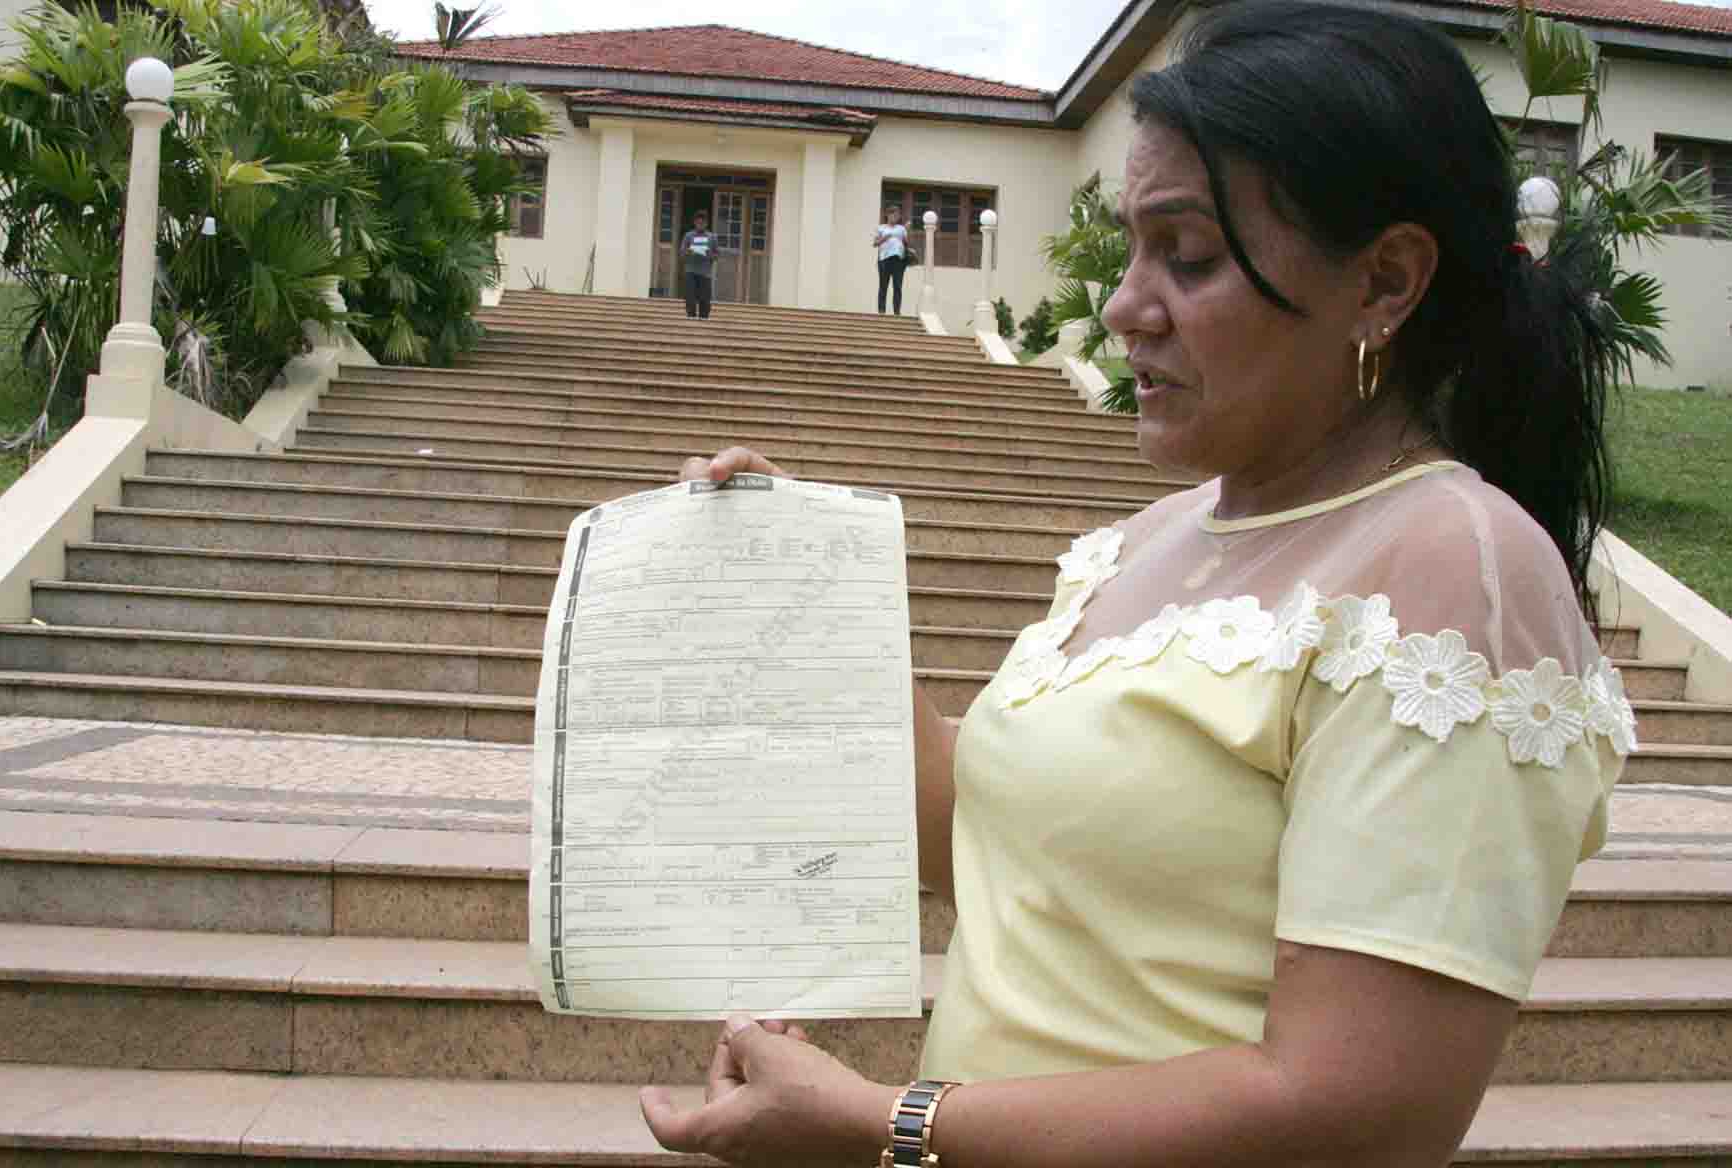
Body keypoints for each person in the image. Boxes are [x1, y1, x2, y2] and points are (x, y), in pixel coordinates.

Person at [642, 4, 1634, 1166]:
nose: (1123, 305)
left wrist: (886, 1124)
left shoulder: (1451, 566)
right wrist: (800, 587)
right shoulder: (1159, 532)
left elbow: (1358, 1106)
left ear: (1386, 281)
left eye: (1191, 255)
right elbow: (980, 832)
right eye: (1130, 248)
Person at [681, 211, 719, 319]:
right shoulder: (688, 235)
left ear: (706, 223)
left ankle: (704, 318)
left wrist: (709, 254)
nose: (700, 225)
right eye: (698, 223)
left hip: (705, 273)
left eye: (702, 223)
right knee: (690, 296)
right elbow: (682, 253)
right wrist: (689, 251)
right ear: (694, 223)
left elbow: (717, 256)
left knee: (704, 298)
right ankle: (691, 317)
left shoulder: (712, 237)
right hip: (690, 271)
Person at [874, 204, 909, 314]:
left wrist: (907, 231)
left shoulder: (901, 228)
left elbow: (907, 243)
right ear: (887, 215)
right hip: (884, 260)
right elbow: (875, 243)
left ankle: (897, 312)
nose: (895, 217)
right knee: (883, 286)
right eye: (893, 214)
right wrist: (884, 238)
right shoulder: (881, 228)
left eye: (897, 215)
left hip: (899, 260)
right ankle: (881, 310)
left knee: (897, 286)